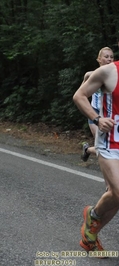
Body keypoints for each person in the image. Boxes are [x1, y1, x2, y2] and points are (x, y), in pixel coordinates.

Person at [73, 54, 119, 255]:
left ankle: (90, 236)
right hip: (109, 143)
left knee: (116, 197)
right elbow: (79, 96)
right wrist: (97, 119)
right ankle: (93, 215)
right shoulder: (108, 72)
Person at [80, 47, 114, 162]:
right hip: (95, 113)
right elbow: (80, 94)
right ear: (99, 59)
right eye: (106, 56)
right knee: (101, 146)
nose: (109, 59)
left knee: (109, 146)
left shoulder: (114, 75)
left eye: (111, 57)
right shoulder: (90, 75)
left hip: (110, 114)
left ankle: (87, 150)